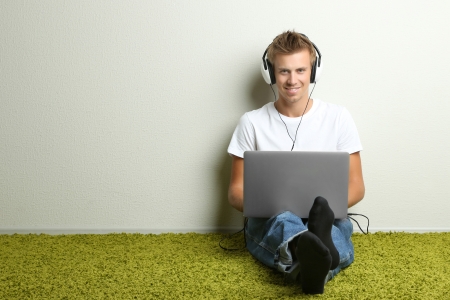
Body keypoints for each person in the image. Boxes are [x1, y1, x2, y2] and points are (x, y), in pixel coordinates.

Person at [227, 31, 365, 294]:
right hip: (270, 219)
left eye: (301, 70)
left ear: (314, 72)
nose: (292, 80)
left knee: (337, 226)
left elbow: (357, 186)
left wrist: (328, 207)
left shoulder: (338, 118)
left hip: (328, 218)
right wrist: (270, 206)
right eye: (284, 71)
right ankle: (316, 252)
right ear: (270, 73)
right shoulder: (251, 122)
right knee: (284, 220)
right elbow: (235, 192)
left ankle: (308, 257)